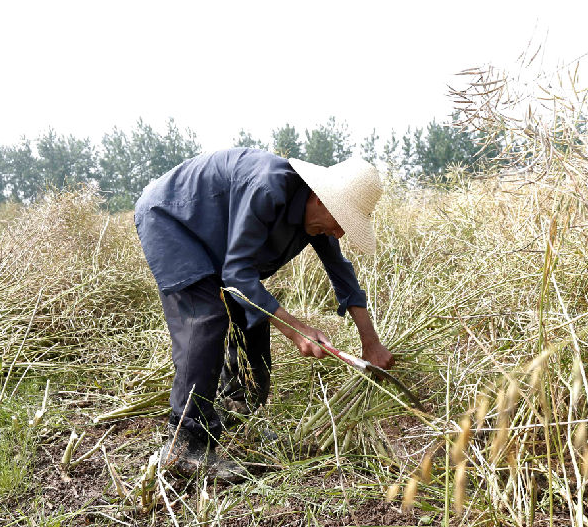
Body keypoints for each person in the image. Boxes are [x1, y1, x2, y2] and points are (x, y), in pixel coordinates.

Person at [134, 147, 394, 481]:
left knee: (252, 318)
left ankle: (238, 417)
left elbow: (340, 273)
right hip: (173, 220)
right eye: (342, 222)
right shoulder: (269, 188)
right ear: (320, 197)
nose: (341, 233)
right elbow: (238, 274)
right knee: (207, 318)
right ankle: (183, 447)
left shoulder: (317, 219)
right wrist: (296, 329)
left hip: (218, 240)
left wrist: (370, 343)